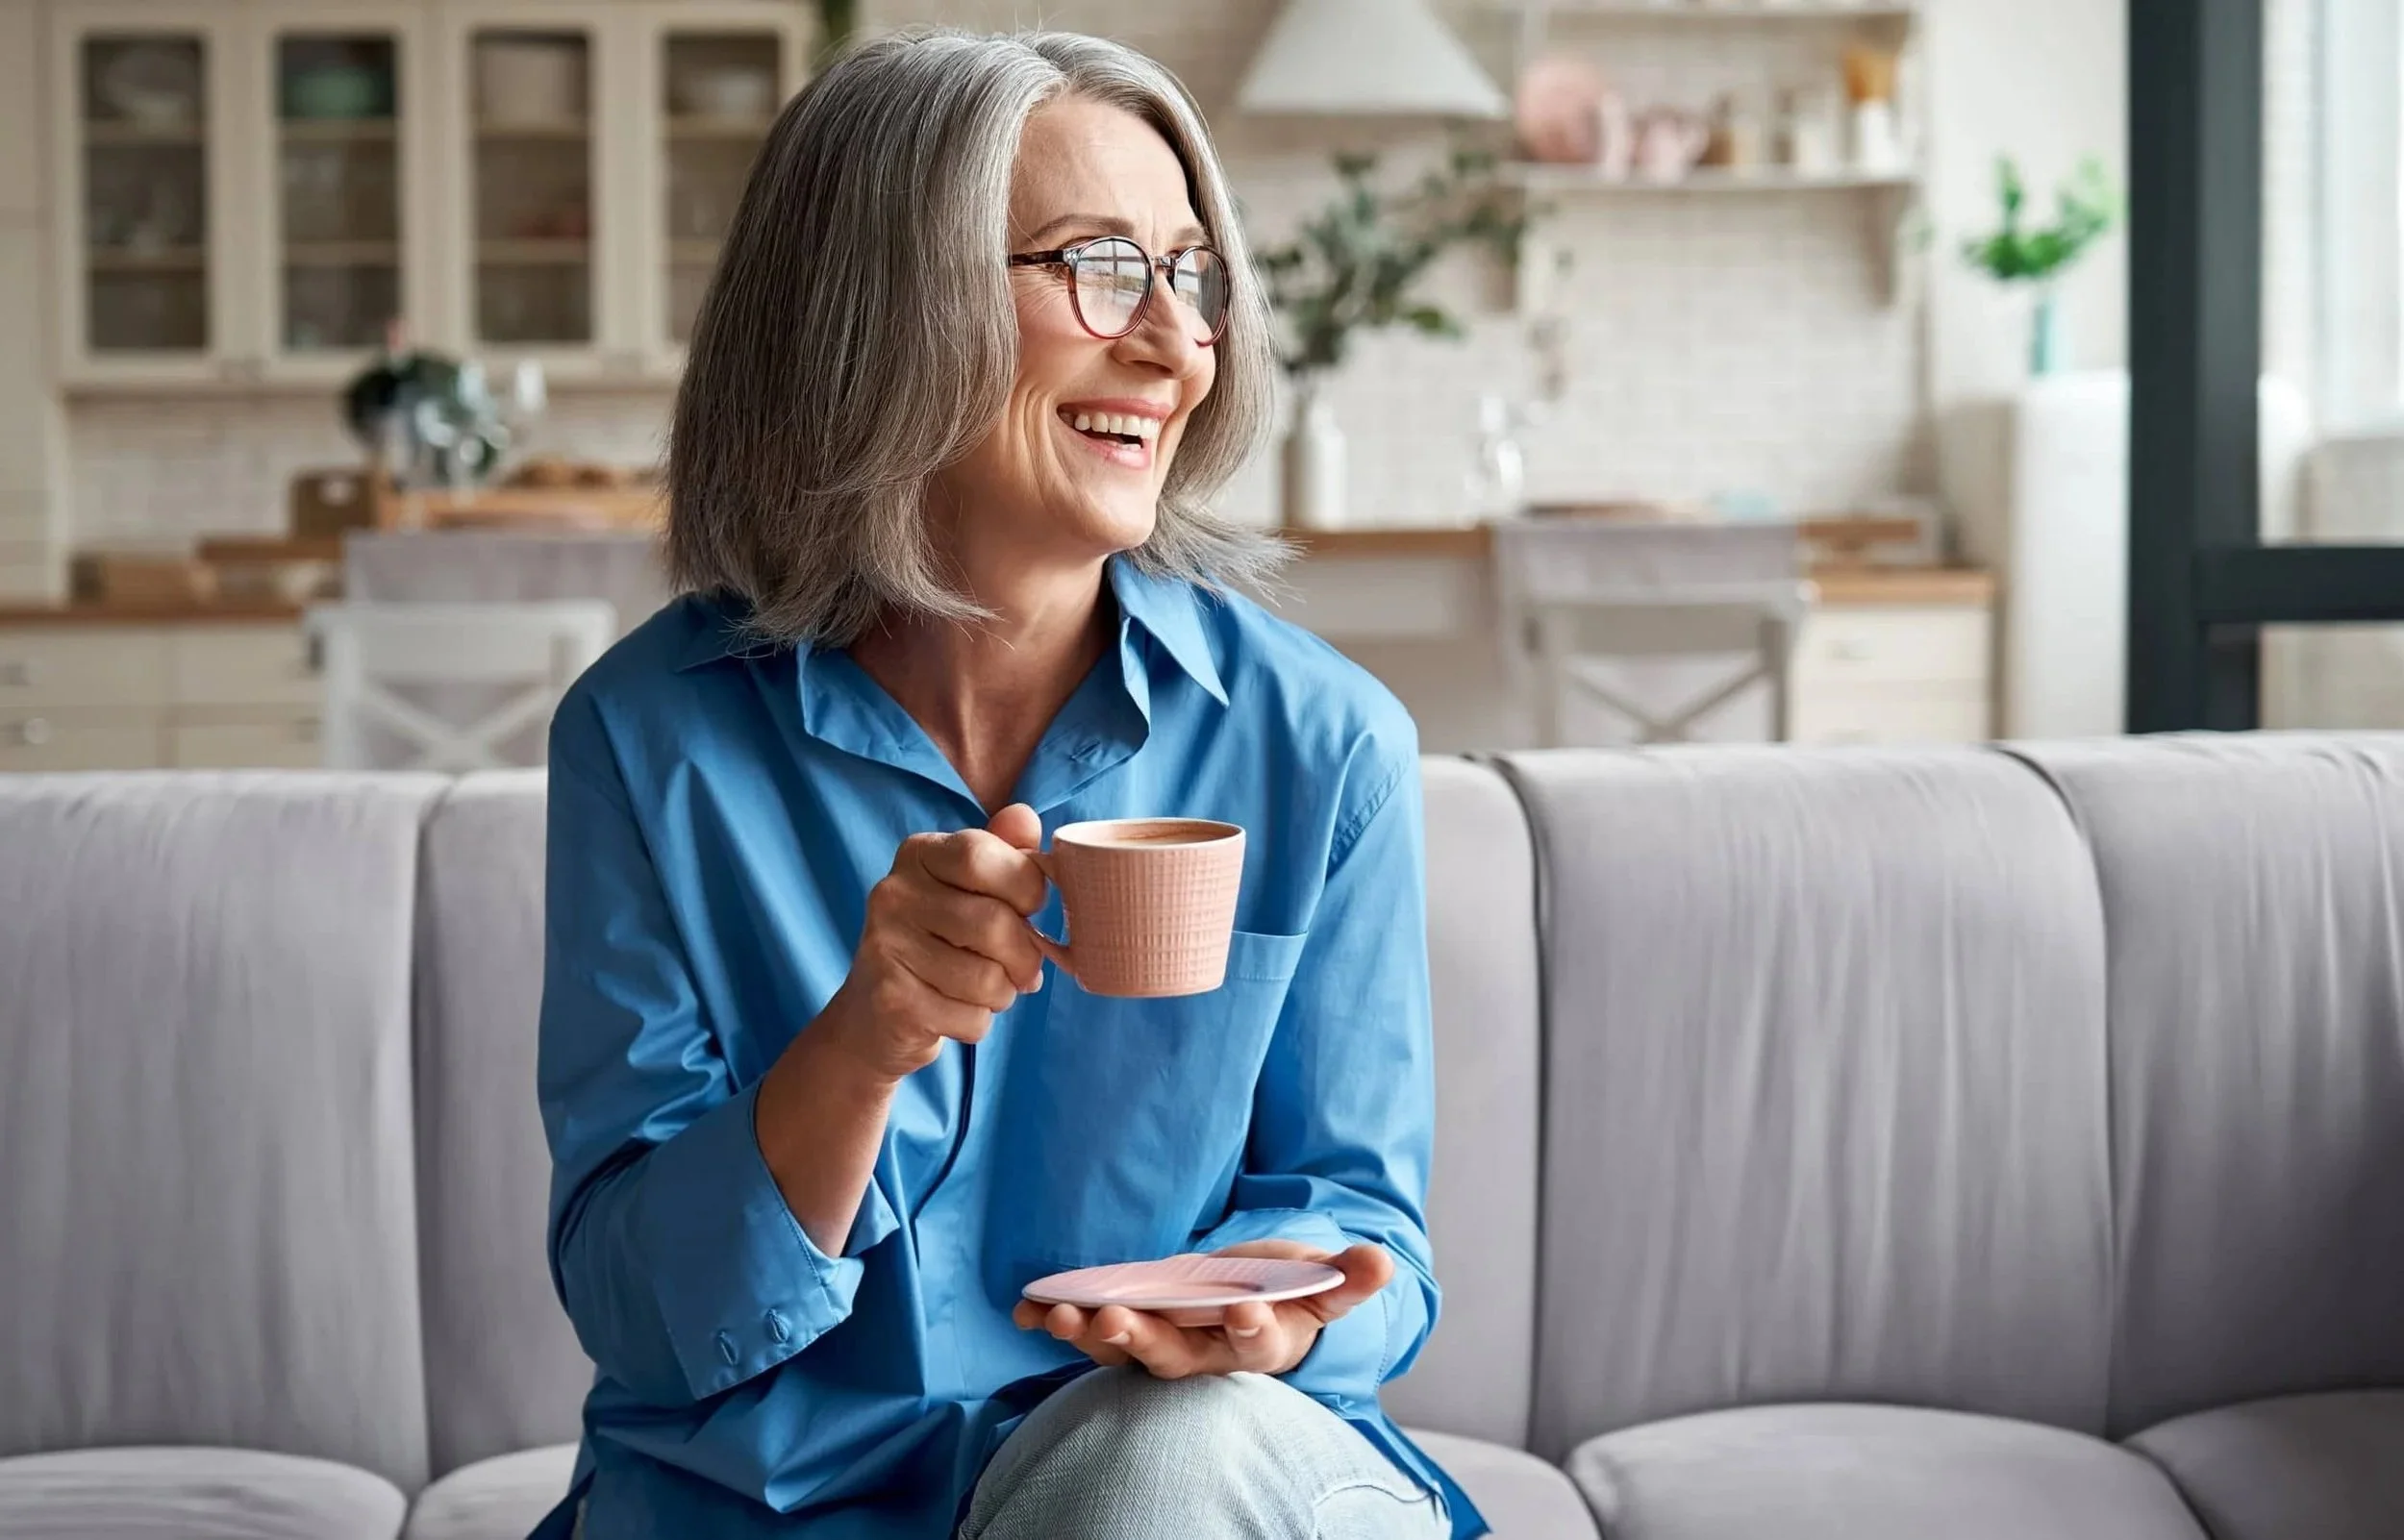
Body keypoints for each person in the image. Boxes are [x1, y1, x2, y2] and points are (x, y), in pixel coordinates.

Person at [533, 27, 1483, 1540]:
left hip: (1181, 1479)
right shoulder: (651, 744)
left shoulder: (1322, 744)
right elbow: (645, 1315)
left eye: (1194, 275)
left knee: (1153, 1471)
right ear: (880, 310)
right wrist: (863, 1041)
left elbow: (1368, 1229)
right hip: (772, 1510)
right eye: (1102, 265)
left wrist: (1281, 1317)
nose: (1175, 345)